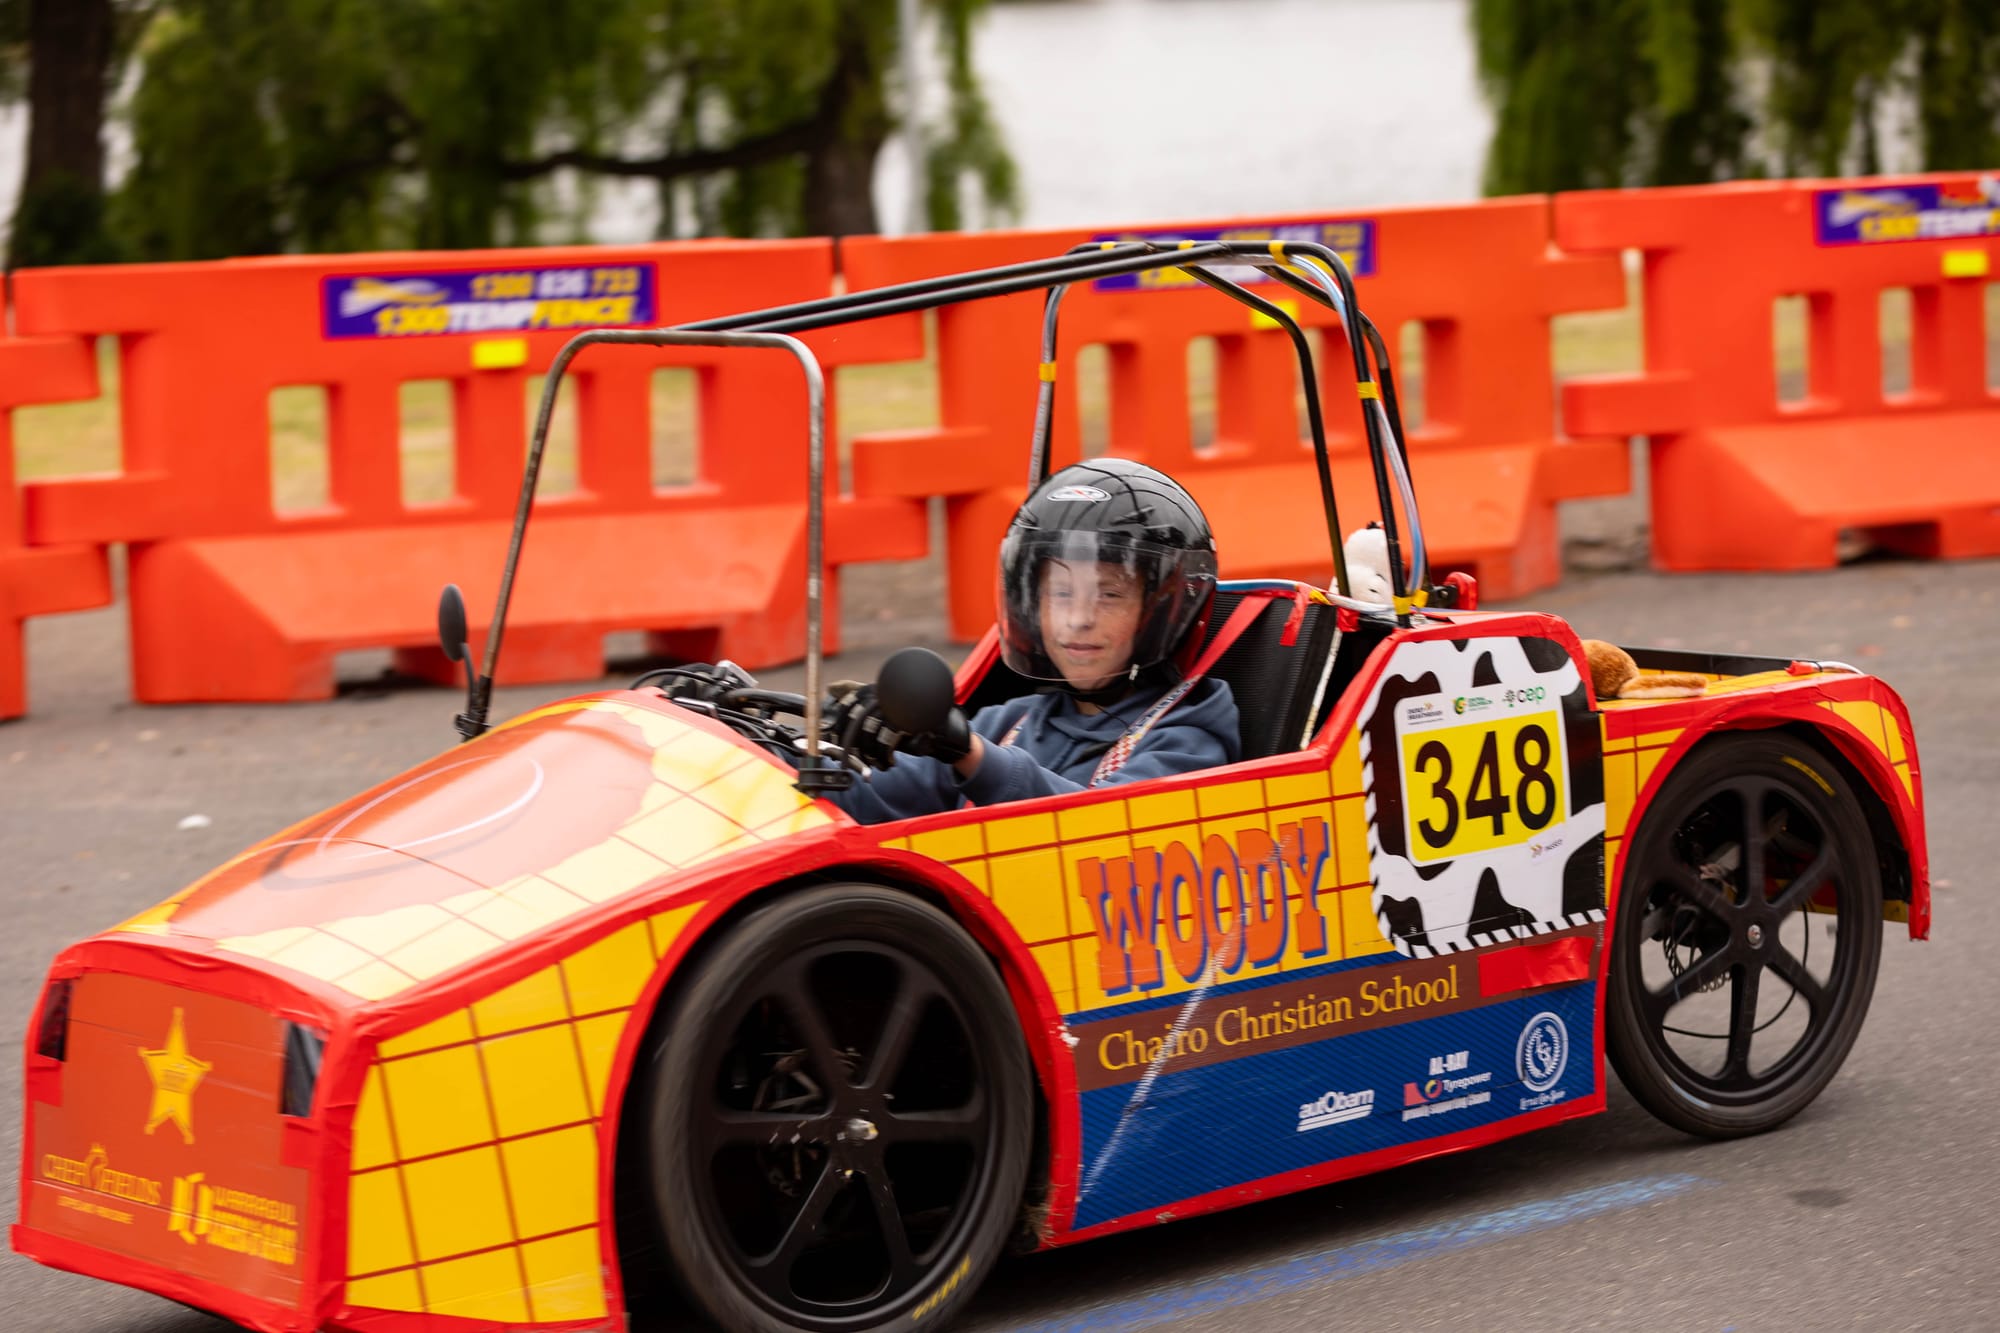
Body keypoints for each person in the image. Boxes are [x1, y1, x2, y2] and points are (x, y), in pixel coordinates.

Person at [830, 458, 1241, 824]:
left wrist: (966, 752)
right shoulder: (1013, 721)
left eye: (1109, 595)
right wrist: (804, 752)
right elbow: (875, 798)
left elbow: (1102, 830)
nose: (1078, 619)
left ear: (1161, 612)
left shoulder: (1187, 739)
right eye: (1061, 594)